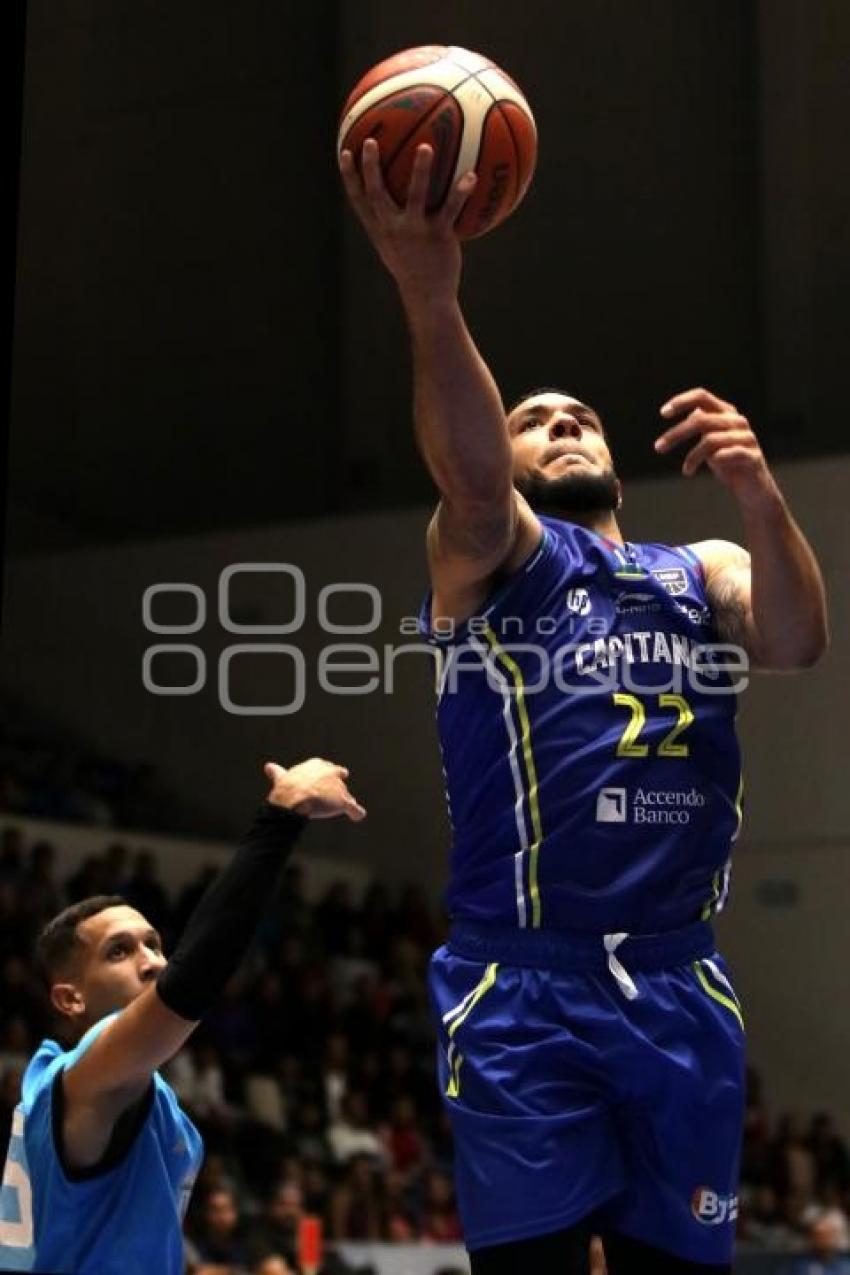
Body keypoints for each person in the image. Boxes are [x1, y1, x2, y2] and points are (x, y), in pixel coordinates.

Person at [339, 137, 828, 1275]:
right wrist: (430, 289)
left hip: (676, 978)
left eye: (581, 416)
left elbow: (798, 640)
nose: (562, 423)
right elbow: (465, 475)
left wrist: (759, 493)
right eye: (533, 418)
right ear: (502, 459)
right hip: (523, 982)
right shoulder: (493, 555)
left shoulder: (697, 564)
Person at [0, 757, 366, 1273]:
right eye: (119, 952)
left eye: (154, 943)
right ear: (70, 999)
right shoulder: (83, 1078)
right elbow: (192, 981)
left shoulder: (135, 1090)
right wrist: (282, 814)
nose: (151, 961)